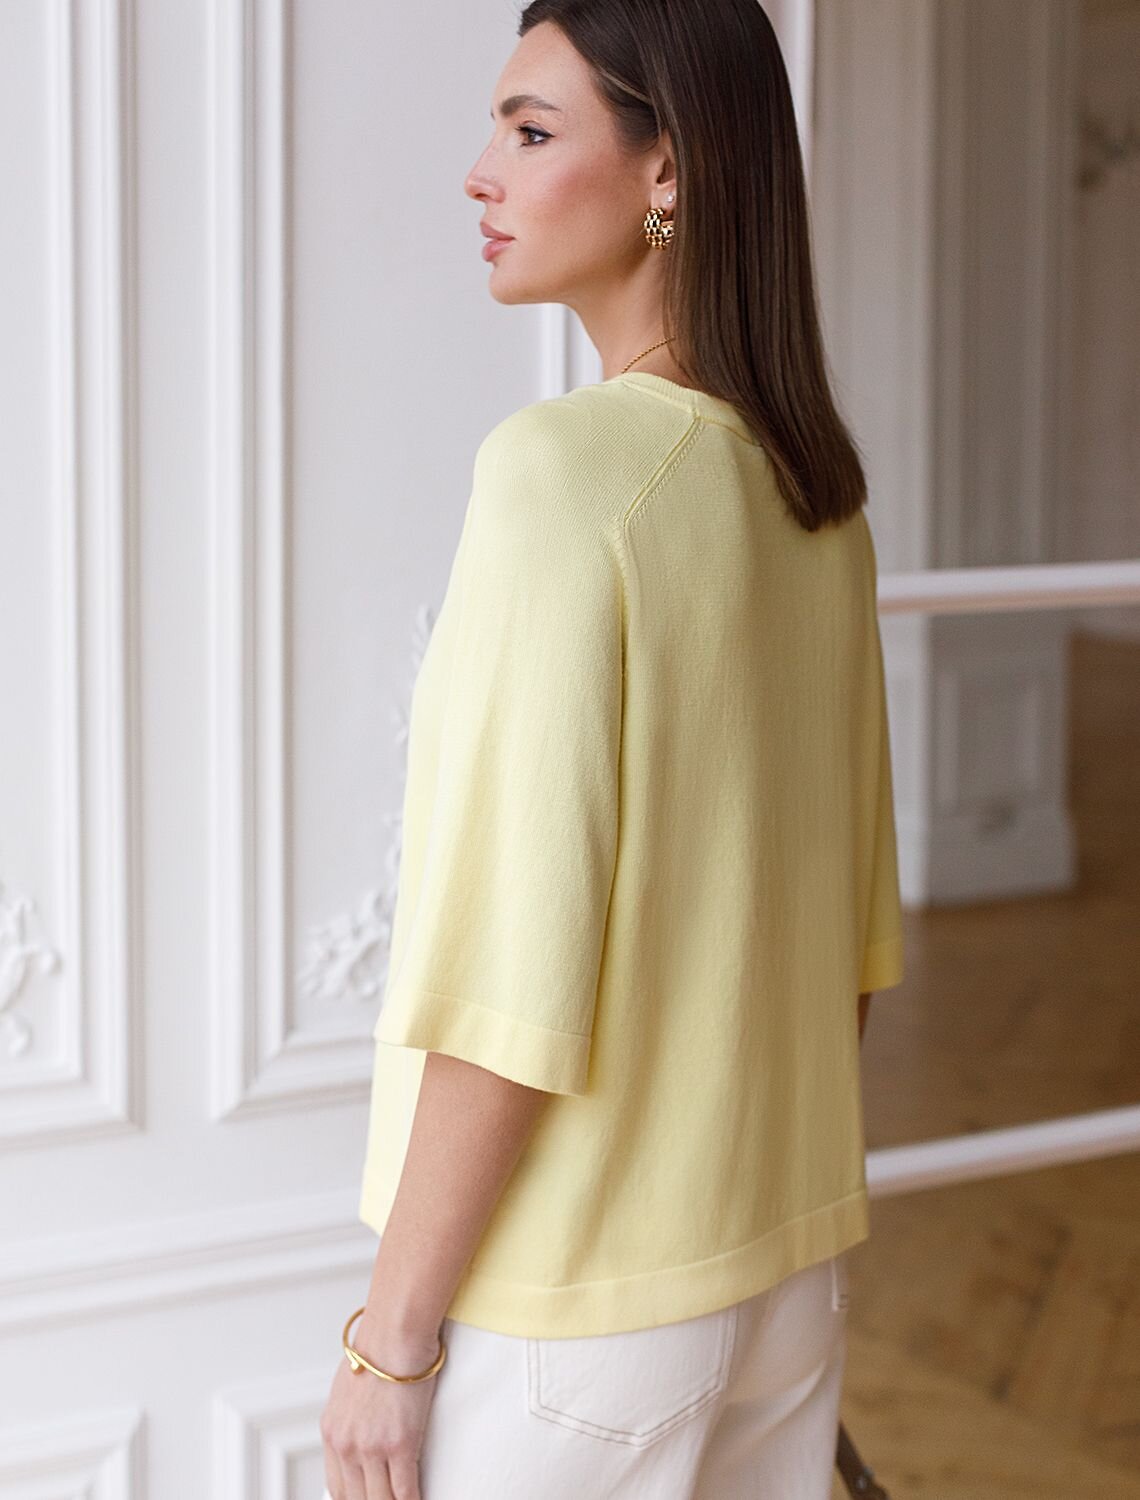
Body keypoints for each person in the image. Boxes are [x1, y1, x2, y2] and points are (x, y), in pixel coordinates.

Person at [320, 1, 905, 1496]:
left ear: (670, 171)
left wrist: (390, 1343)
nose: (480, 172)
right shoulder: (818, 501)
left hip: (575, 1319)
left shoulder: (565, 475)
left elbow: (513, 971)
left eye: (530, 131)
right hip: (779, 1275)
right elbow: (844, 945)